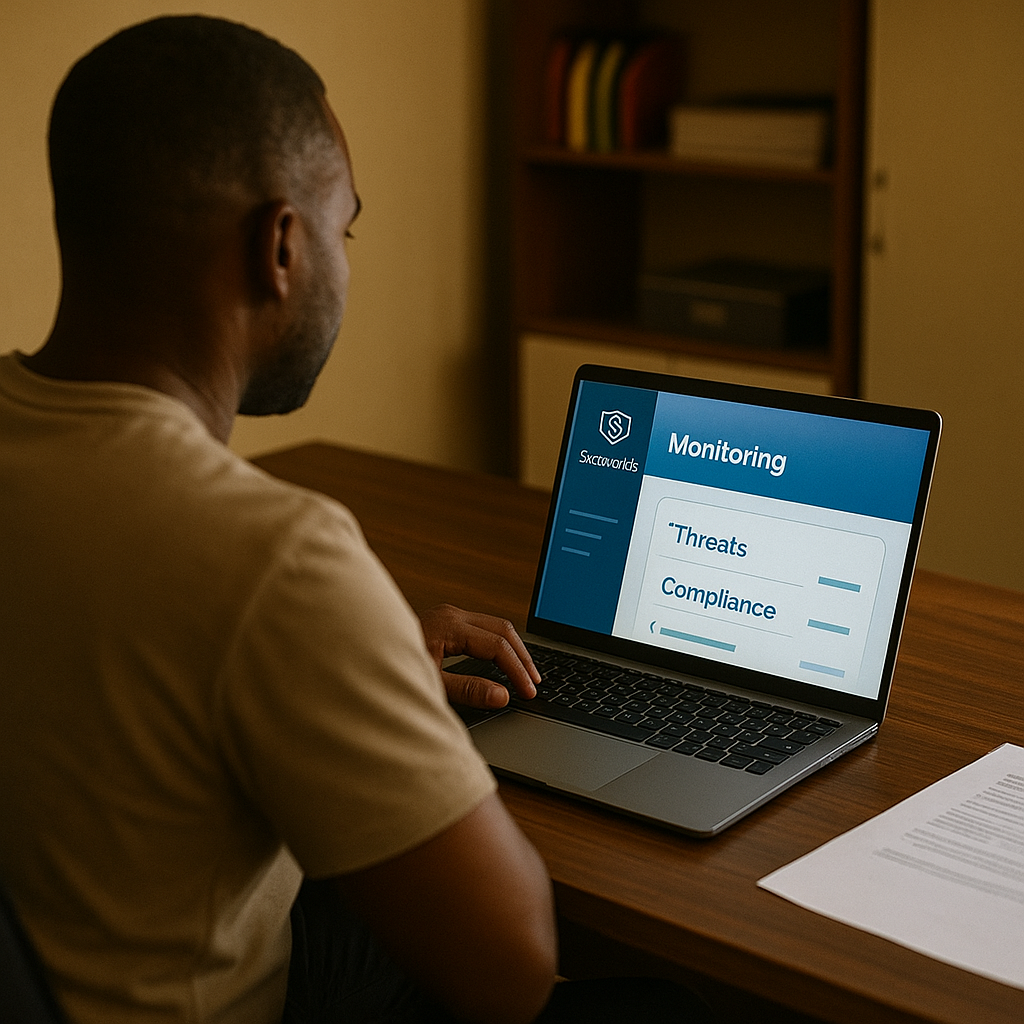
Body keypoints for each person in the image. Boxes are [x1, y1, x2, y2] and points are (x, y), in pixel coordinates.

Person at [0, 16, 715, 1024]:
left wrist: (343, 661)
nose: (346, 259)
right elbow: (509, 968)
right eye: (345, 227)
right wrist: (361, 657)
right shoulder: (272, 557)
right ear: (279, 247)